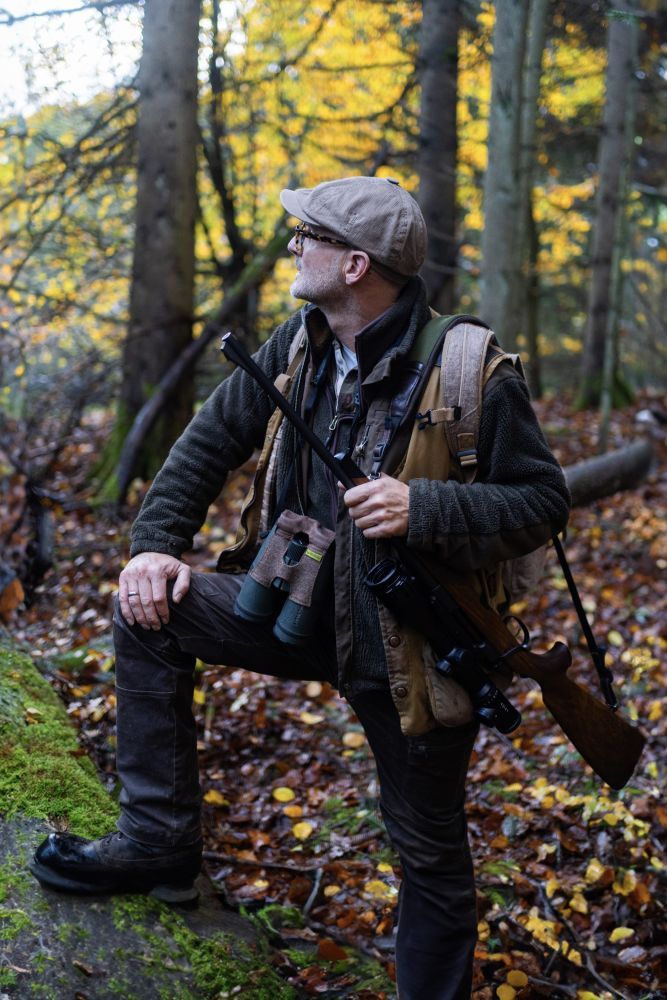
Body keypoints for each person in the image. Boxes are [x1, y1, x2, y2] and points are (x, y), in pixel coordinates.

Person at [30, 176, 570, 999]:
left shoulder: (470, 368)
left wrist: (422, 504)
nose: (292, 245)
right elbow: (206, 445)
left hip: (414, 647)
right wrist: (154, 549)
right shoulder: (299, 340)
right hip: (286, 606)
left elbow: (541, 501)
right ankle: (158, 840)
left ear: (355, 264)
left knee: (428, 859)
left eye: (307, 235)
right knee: (147, 610)